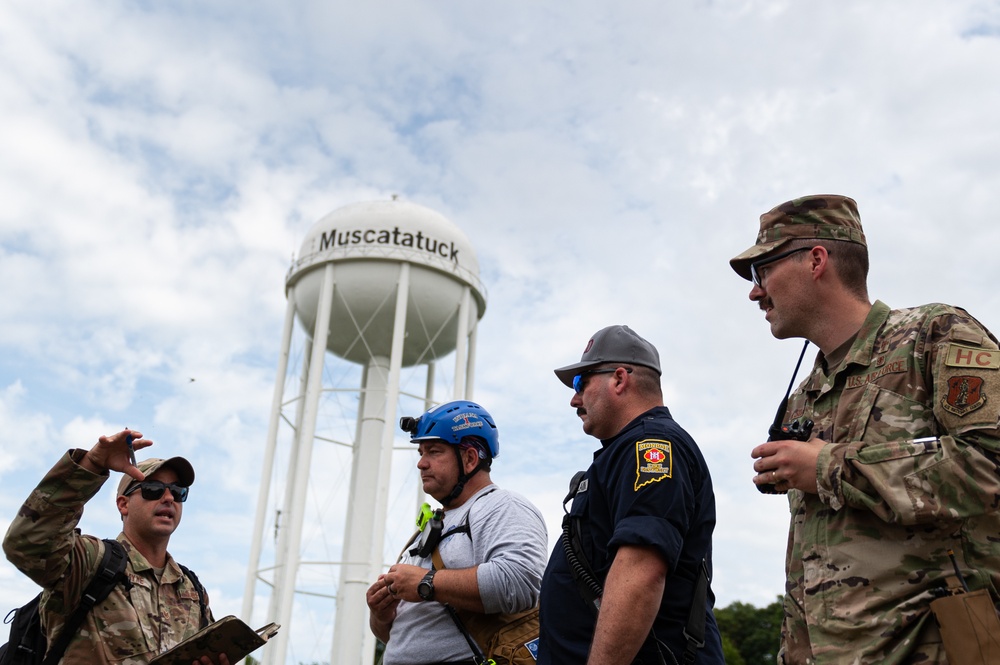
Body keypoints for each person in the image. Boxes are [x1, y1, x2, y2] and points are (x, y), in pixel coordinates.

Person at [730, 194, 1000, 664]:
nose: (756, 292)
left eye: (762, 271)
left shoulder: (933, 334)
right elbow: (810, 568)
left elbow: (990, 464)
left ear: (816, 260)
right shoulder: (804, 398)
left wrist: (830, 466)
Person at [538, 325, 725, 665]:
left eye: (581, 383)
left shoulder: (651, 445)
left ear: (620, 379)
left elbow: (641, 569)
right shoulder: (624, 452)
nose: (574, 399)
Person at [3, 428, 229, 665]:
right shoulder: (90, 562)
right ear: (123, 504)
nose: (168, 498)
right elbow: (26, 542)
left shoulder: (192, 590)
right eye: (153, 489)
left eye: (177, 491)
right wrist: (91, 464)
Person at [365, 400, 548, 665]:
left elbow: (520, 582)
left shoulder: (501, 506)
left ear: (470, 458)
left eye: (434, 452)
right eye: (420, 453)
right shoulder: (430, 527)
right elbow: (400, 637)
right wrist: (381, 616)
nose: (421, 464)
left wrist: (426, 582)